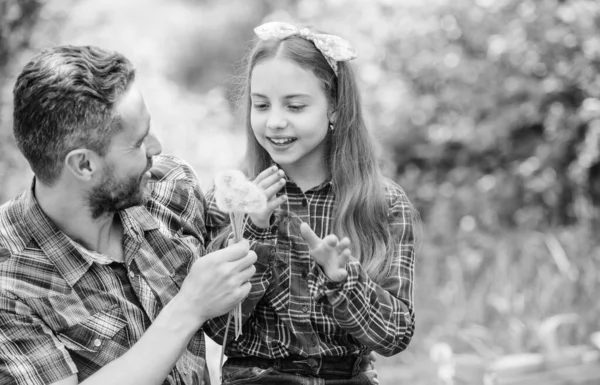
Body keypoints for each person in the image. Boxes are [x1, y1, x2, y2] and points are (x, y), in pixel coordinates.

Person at [0, 45, 261, 385]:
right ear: (84, 164)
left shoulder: (171, 187)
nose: (157, 147)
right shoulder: (10, 282)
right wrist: (189, 307)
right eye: (137, 143)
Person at [203, 21, 420, 385]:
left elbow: (395, 336)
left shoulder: (383, 204)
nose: (274, 122)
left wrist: (345, 282)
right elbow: (218, 325)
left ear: (334, 107)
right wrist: (255, 233)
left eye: (295, 106)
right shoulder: (232, 200)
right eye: (261, 105)